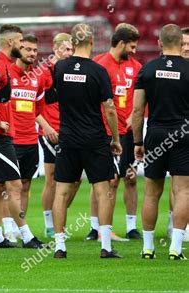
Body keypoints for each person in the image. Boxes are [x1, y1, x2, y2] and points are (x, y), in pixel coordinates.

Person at [51, 23, 122, 259]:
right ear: (91, 42)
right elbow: (109, 109)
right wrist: (115, 138)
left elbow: (53, 97)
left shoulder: (59, 68)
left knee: (61, 192)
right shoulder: (99, 71)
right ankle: (106, 247)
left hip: (68, 137)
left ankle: (60, 246)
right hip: (94, 138)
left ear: (73, 43)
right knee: (102, 191)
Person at [0, 24, 47, 249]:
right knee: (15, 185)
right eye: (20, 42)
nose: (23, 46)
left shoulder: (5, 65)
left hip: (4, 136)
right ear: (11, 43)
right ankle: (27, 236)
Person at [133, 24, 189, 260]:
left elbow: (137, 111)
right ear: (181, 42)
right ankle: (176, 248)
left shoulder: (147, 69)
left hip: (155, 134)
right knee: (183, 190)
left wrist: (137, 141)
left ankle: (147, 247)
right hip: (184, 133)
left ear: (159, 43)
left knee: (151, 193)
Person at [86, 27, 141, 241]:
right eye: (132, 46)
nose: (135, 50)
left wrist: (133, 120)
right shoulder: (100, 65)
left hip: (127, 133)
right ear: (121, 44)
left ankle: (131, 226)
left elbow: (140, 99)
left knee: (131, 179)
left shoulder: (136, 68)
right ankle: (95, 227)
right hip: (106, 133)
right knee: (105, 180)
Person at [35, 32, 80, 239]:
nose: (70, 53)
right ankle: (49, 224)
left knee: (76, 179)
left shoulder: (73, 70)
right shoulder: (44, 72)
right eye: (66, 49)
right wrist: (45, 127)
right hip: (51, 131)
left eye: (72, 49)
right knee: (53, 178)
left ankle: (58, 213)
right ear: (55, 49)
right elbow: (33, 103)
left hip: (70, 130)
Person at [3, 35, 45, 244]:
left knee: (25, 185)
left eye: (35, 50)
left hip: (30, 139)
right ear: (18, 50)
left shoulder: (37, 77)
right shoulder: (7, 73)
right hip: (11, 139)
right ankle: (8, 228)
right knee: (11, 187)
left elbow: (37, 108)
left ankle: (21, 226)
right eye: (27, 49)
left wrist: (45, 126)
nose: (32, 54)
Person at [167, 26, 189, 243]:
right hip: (177, 134)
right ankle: (177, 227)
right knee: (179, 182)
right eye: (183, 44)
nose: (186, 48)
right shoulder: (171, 69)